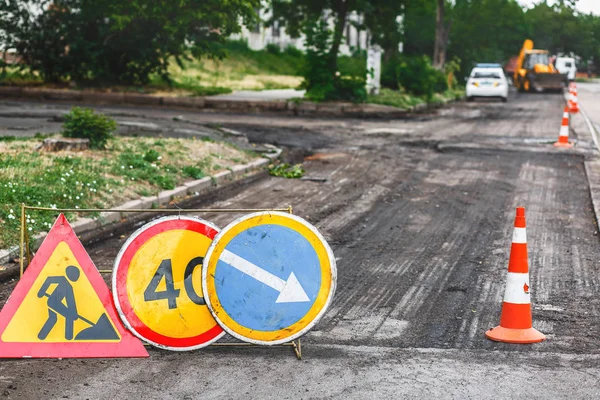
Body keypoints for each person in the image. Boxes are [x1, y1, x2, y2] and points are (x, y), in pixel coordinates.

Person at [37, 265, 80, 340]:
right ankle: (69, 337)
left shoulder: (69, 287)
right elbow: (49, 279)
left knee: (53, 318)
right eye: (76, 275)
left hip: (54, 302)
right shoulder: (62, 280)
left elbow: (70, 302)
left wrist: (74, 313)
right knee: (69, 316)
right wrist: (41, 291)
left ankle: (41, 337)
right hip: (53, 302)